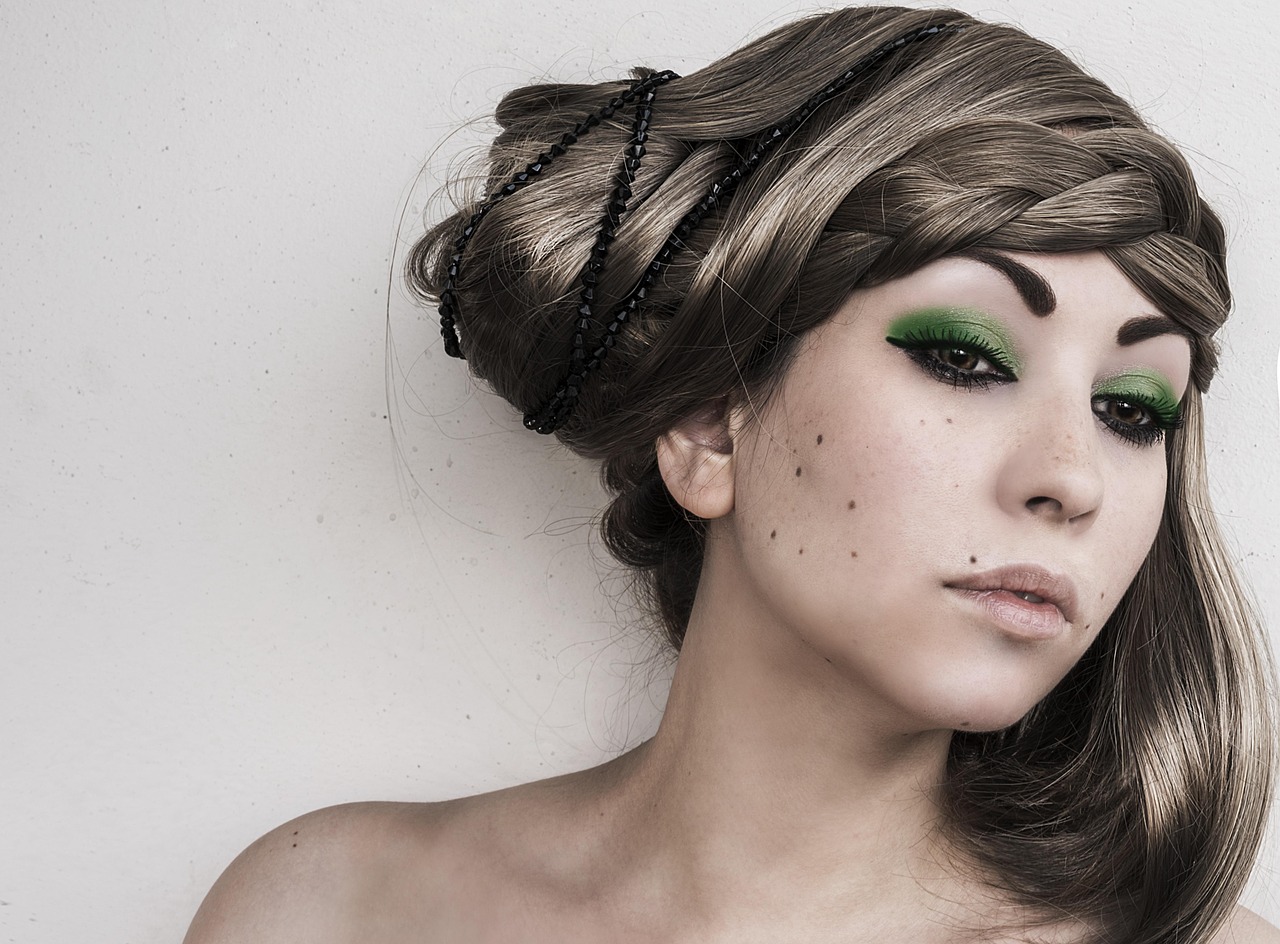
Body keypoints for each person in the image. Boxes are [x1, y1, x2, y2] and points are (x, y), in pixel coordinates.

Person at [183, 6, 1279, 942]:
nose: (1073, 479)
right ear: (709, 423)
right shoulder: (327, 912)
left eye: (1132, 410)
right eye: (965, 357)